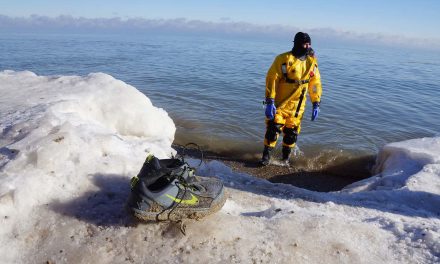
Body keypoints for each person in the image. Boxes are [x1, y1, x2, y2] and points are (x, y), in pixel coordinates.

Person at [261, 32, 322, 166]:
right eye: (305, 44)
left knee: (291, 133)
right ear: (297, 44)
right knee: (273, 129)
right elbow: (272, 78)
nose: (308, 47)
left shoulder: (312, 63)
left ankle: (285, 159)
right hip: (280, 104)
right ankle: (266, 157)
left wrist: (316, 102)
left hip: (297, 107)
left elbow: (315, 84)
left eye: (309, 44)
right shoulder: (283, 59)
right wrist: (270, 100)